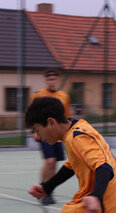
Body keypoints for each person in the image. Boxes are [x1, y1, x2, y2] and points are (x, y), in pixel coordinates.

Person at [30, 69, 71, 205]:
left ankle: (48, 191)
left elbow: (66, 116)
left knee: (54, 163)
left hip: (57, 133)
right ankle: (42, 188)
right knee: (50, 161)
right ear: (45, 81)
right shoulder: (39, 95)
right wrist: (35, 131)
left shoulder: (64, 96)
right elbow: (32, 113)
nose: (51, 82)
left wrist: (68, 132)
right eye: (49, 79)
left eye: (54, 79)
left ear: (58, 80)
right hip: (44, 132)